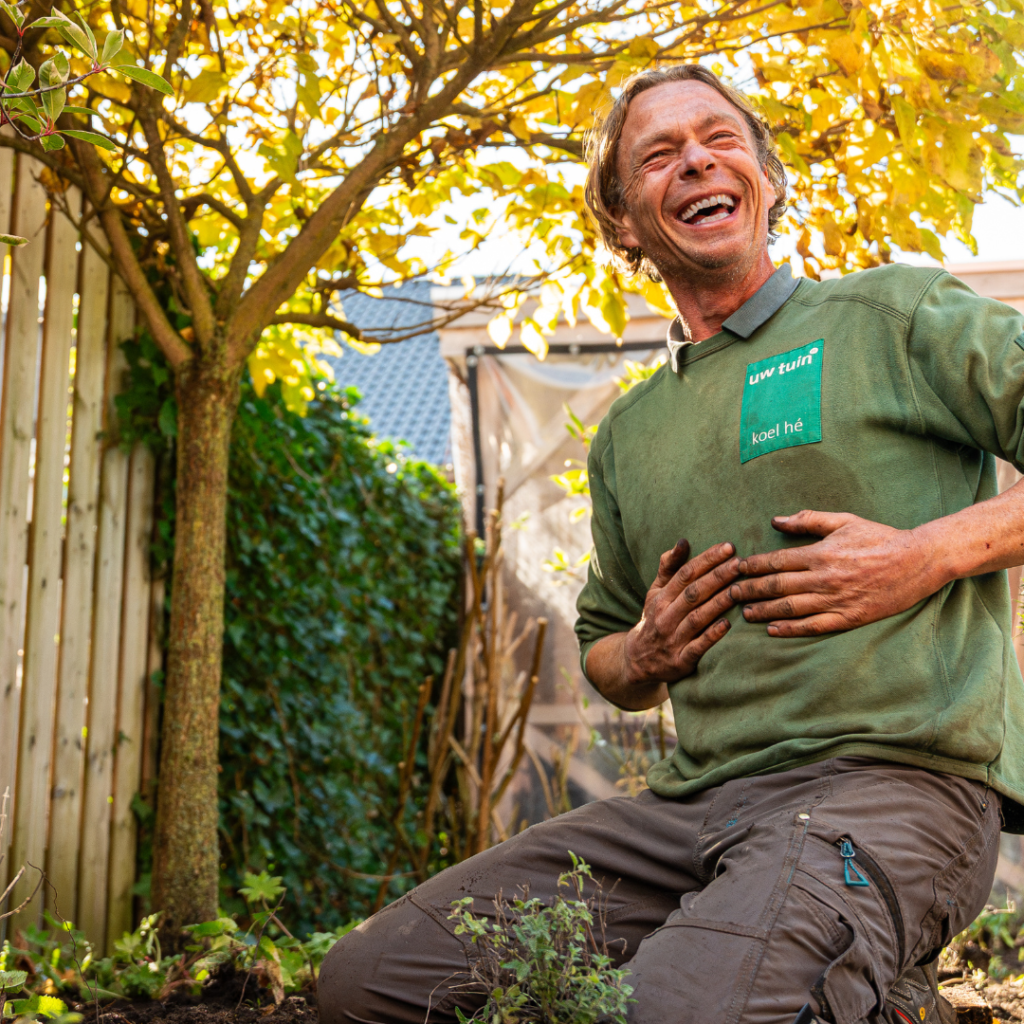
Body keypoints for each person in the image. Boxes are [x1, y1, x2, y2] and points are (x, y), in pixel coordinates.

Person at [319, 64, 1024, 1024]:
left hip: (894, 787)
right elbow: (609, 654)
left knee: (681, 1011)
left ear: (766, 180)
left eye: (720, 138)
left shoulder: (893, 317)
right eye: (658, 155)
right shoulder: (631, 435)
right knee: (374, 982)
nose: (696, 159)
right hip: (693, 809)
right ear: (623, 221)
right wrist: (646, 650)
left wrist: (925, 555)